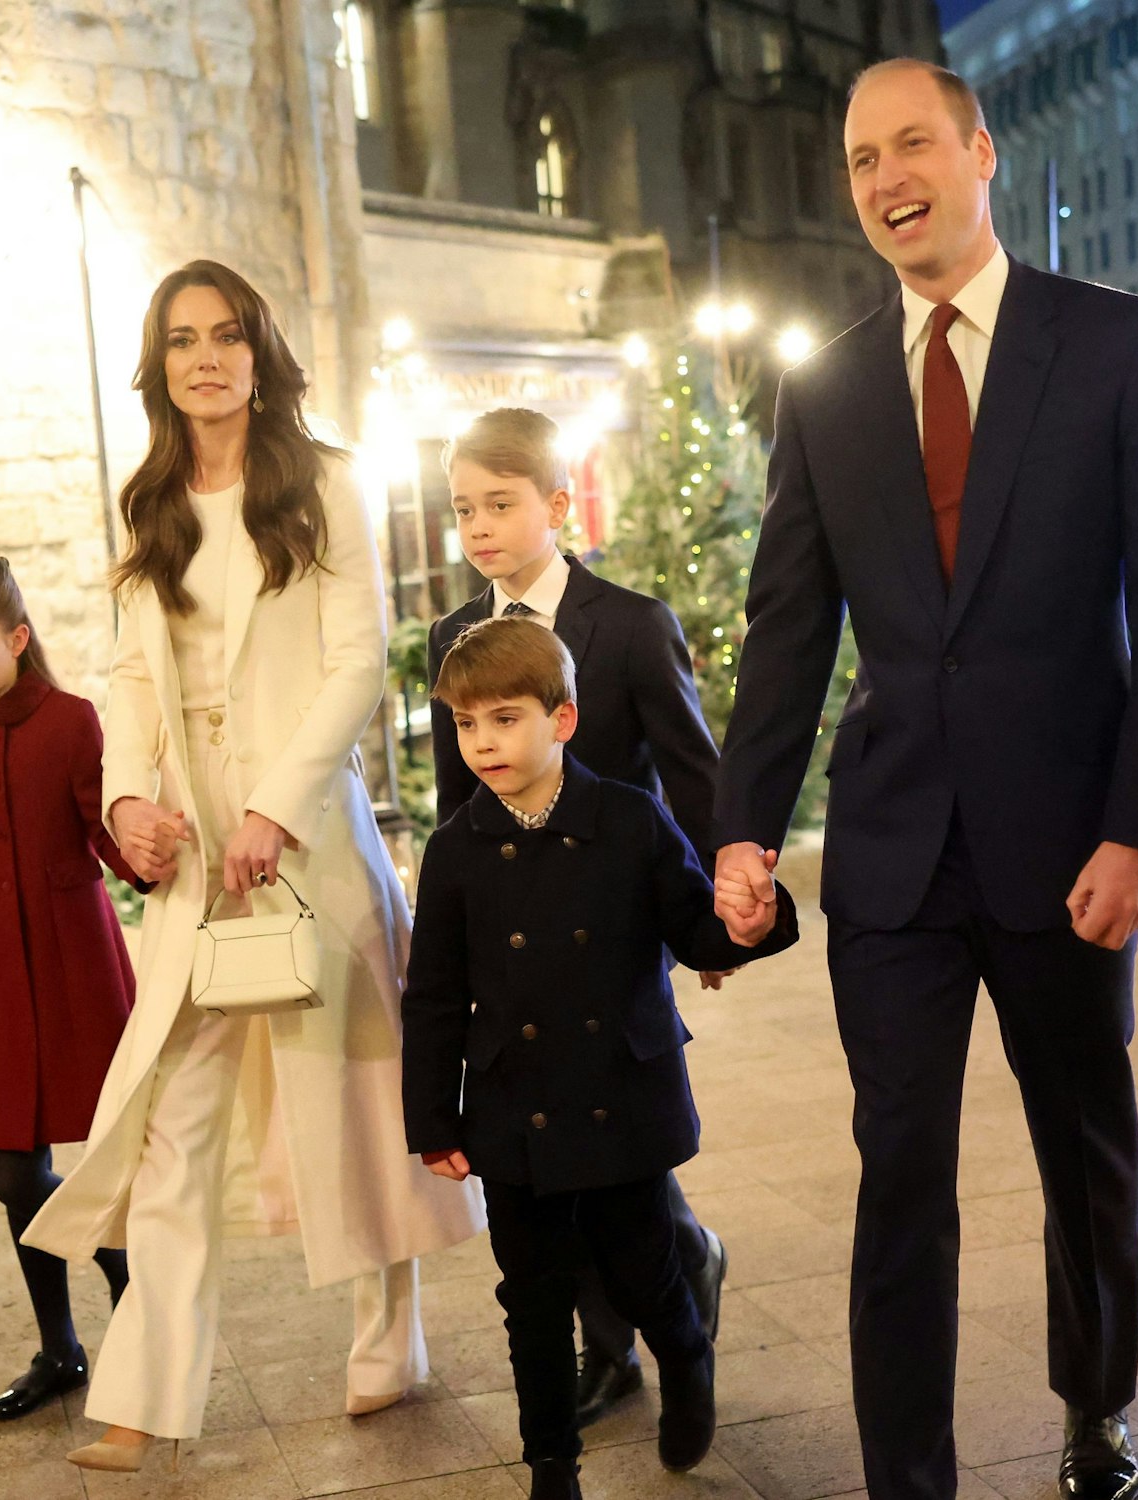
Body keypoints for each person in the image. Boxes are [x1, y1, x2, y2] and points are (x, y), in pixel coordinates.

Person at [711, 58, 1138, 1500]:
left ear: (979, 150)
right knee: (900, 1184)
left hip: (1072, 851)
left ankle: (1097, 1406)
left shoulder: (1125, 346)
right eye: (863, 158)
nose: (887, 180)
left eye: (913, 144)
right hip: (893, 857)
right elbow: (789, 623)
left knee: (1086, 1154)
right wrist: (743, 829)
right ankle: (908, 1478)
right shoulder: (827, 384)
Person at [22, 260, 484, 1473]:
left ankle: (392, 1330)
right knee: (177, 1115)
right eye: (182, 341)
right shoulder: (151, 501)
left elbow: (354, 659)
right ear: (158, 363)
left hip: (305, 839)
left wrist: (275, 809)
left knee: (349, 1103)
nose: (205, 358)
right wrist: (128, 796)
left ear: (257, 352)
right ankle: (141, 1391)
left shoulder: (322, 481)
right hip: (190, 849)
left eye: (225, 336)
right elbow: (132, 673)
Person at [400, 618, 798, 1500]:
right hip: (513, 1103)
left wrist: (749, 920)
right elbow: (431, 997)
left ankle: (686, 1351)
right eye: (467, 725)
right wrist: (432, 1119)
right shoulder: (456, 849)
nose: (483, 743)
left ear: (564, 719)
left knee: (642, 1271)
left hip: (620, 1087)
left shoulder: (627, 817)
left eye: (505, 719)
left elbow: (696, 930)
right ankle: (553, 1467)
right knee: (533, 1301)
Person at [427, 406, 727, 1425]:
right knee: (556, 1162)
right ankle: (619, 1346)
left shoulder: (629, 624)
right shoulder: (451, 638)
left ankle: (672, 1286)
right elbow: (452, 807)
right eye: (462, 508)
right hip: (515, 949)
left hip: (615, 928)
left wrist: (717, 903)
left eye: (499, 504)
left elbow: (688, 772)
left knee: (616, 1153)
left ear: (557, 506)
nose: (477, 526)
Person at [0, 555, 143, 1422]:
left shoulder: (72, 722)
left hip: (77, 964)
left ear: (16, 637)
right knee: (15, 1173)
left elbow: (108, 832)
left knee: (110, 1157)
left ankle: (143, 1325)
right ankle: (61, 1349)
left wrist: (158, 860)